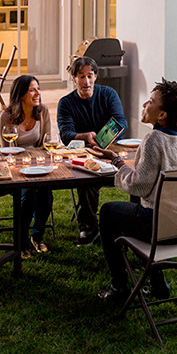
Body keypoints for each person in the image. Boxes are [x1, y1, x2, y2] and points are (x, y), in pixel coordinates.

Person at [94, 78, 177, 304]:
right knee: (136, 206)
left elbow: (139, 185)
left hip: (162, 228)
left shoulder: (154, 139)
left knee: (108, 212)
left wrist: (117, 161)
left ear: (162, 115)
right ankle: (157, 284)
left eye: (151, 101)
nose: (145, 104)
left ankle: (119, 287)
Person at [57, 56, 128, 246]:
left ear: (95, 76)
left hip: (112, 150)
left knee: (135, 172)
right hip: (85, 154)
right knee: (86, 179)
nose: (86, 81)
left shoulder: (108, 94)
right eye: (81, 76)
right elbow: (66, 134)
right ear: (74, 78)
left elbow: (120, 121)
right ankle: (88, 227)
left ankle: (133, 224)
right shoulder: (66, 103)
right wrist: (85, 136)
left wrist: (104, 140)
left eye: (90, 76)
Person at [0, 75, 53, 258]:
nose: (38, 93)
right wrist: (26, 158)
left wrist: (37, 159)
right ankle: (20, 242)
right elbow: (6, 150)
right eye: (32, 90)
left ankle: (37, 236)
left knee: (46, 194)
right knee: (29, 194)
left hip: (38, 166)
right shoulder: (7, 116)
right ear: (21, 94)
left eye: (38, 88)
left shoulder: (43, 111)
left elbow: (46, 144)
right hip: (16, 169)